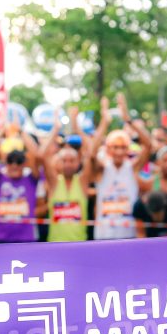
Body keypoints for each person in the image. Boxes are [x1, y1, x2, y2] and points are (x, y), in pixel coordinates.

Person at [89, 94, 152, 240]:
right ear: (108, 149)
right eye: (115, 147)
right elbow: (91, 154)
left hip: (128, 234)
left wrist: (128, 120)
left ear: (128, 149)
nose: (119, 151)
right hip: (104, 235)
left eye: (123, 147)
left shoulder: (132, 168)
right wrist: (104, 122)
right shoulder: (103, 168)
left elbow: (148, 146)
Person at [0, 125, 43, 244]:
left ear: (24, 164)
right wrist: (1, 131)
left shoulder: (31, 179)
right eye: (10, 161)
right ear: (6, 163)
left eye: (19, 161)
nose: (14, 165)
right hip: (0, 237)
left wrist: (21, 131)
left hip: (26, 238)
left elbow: (37, 155)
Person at [43, 132, 92, 243]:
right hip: (55, 244)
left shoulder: (82, 182)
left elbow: (90, 152)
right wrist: (54, 130)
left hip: (79, 244)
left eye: (72, 161)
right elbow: (42, 156)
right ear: (58, 162)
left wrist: (77, 128)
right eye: (64, 160)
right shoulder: (54, 183)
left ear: (78, 162)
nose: (68, 164)